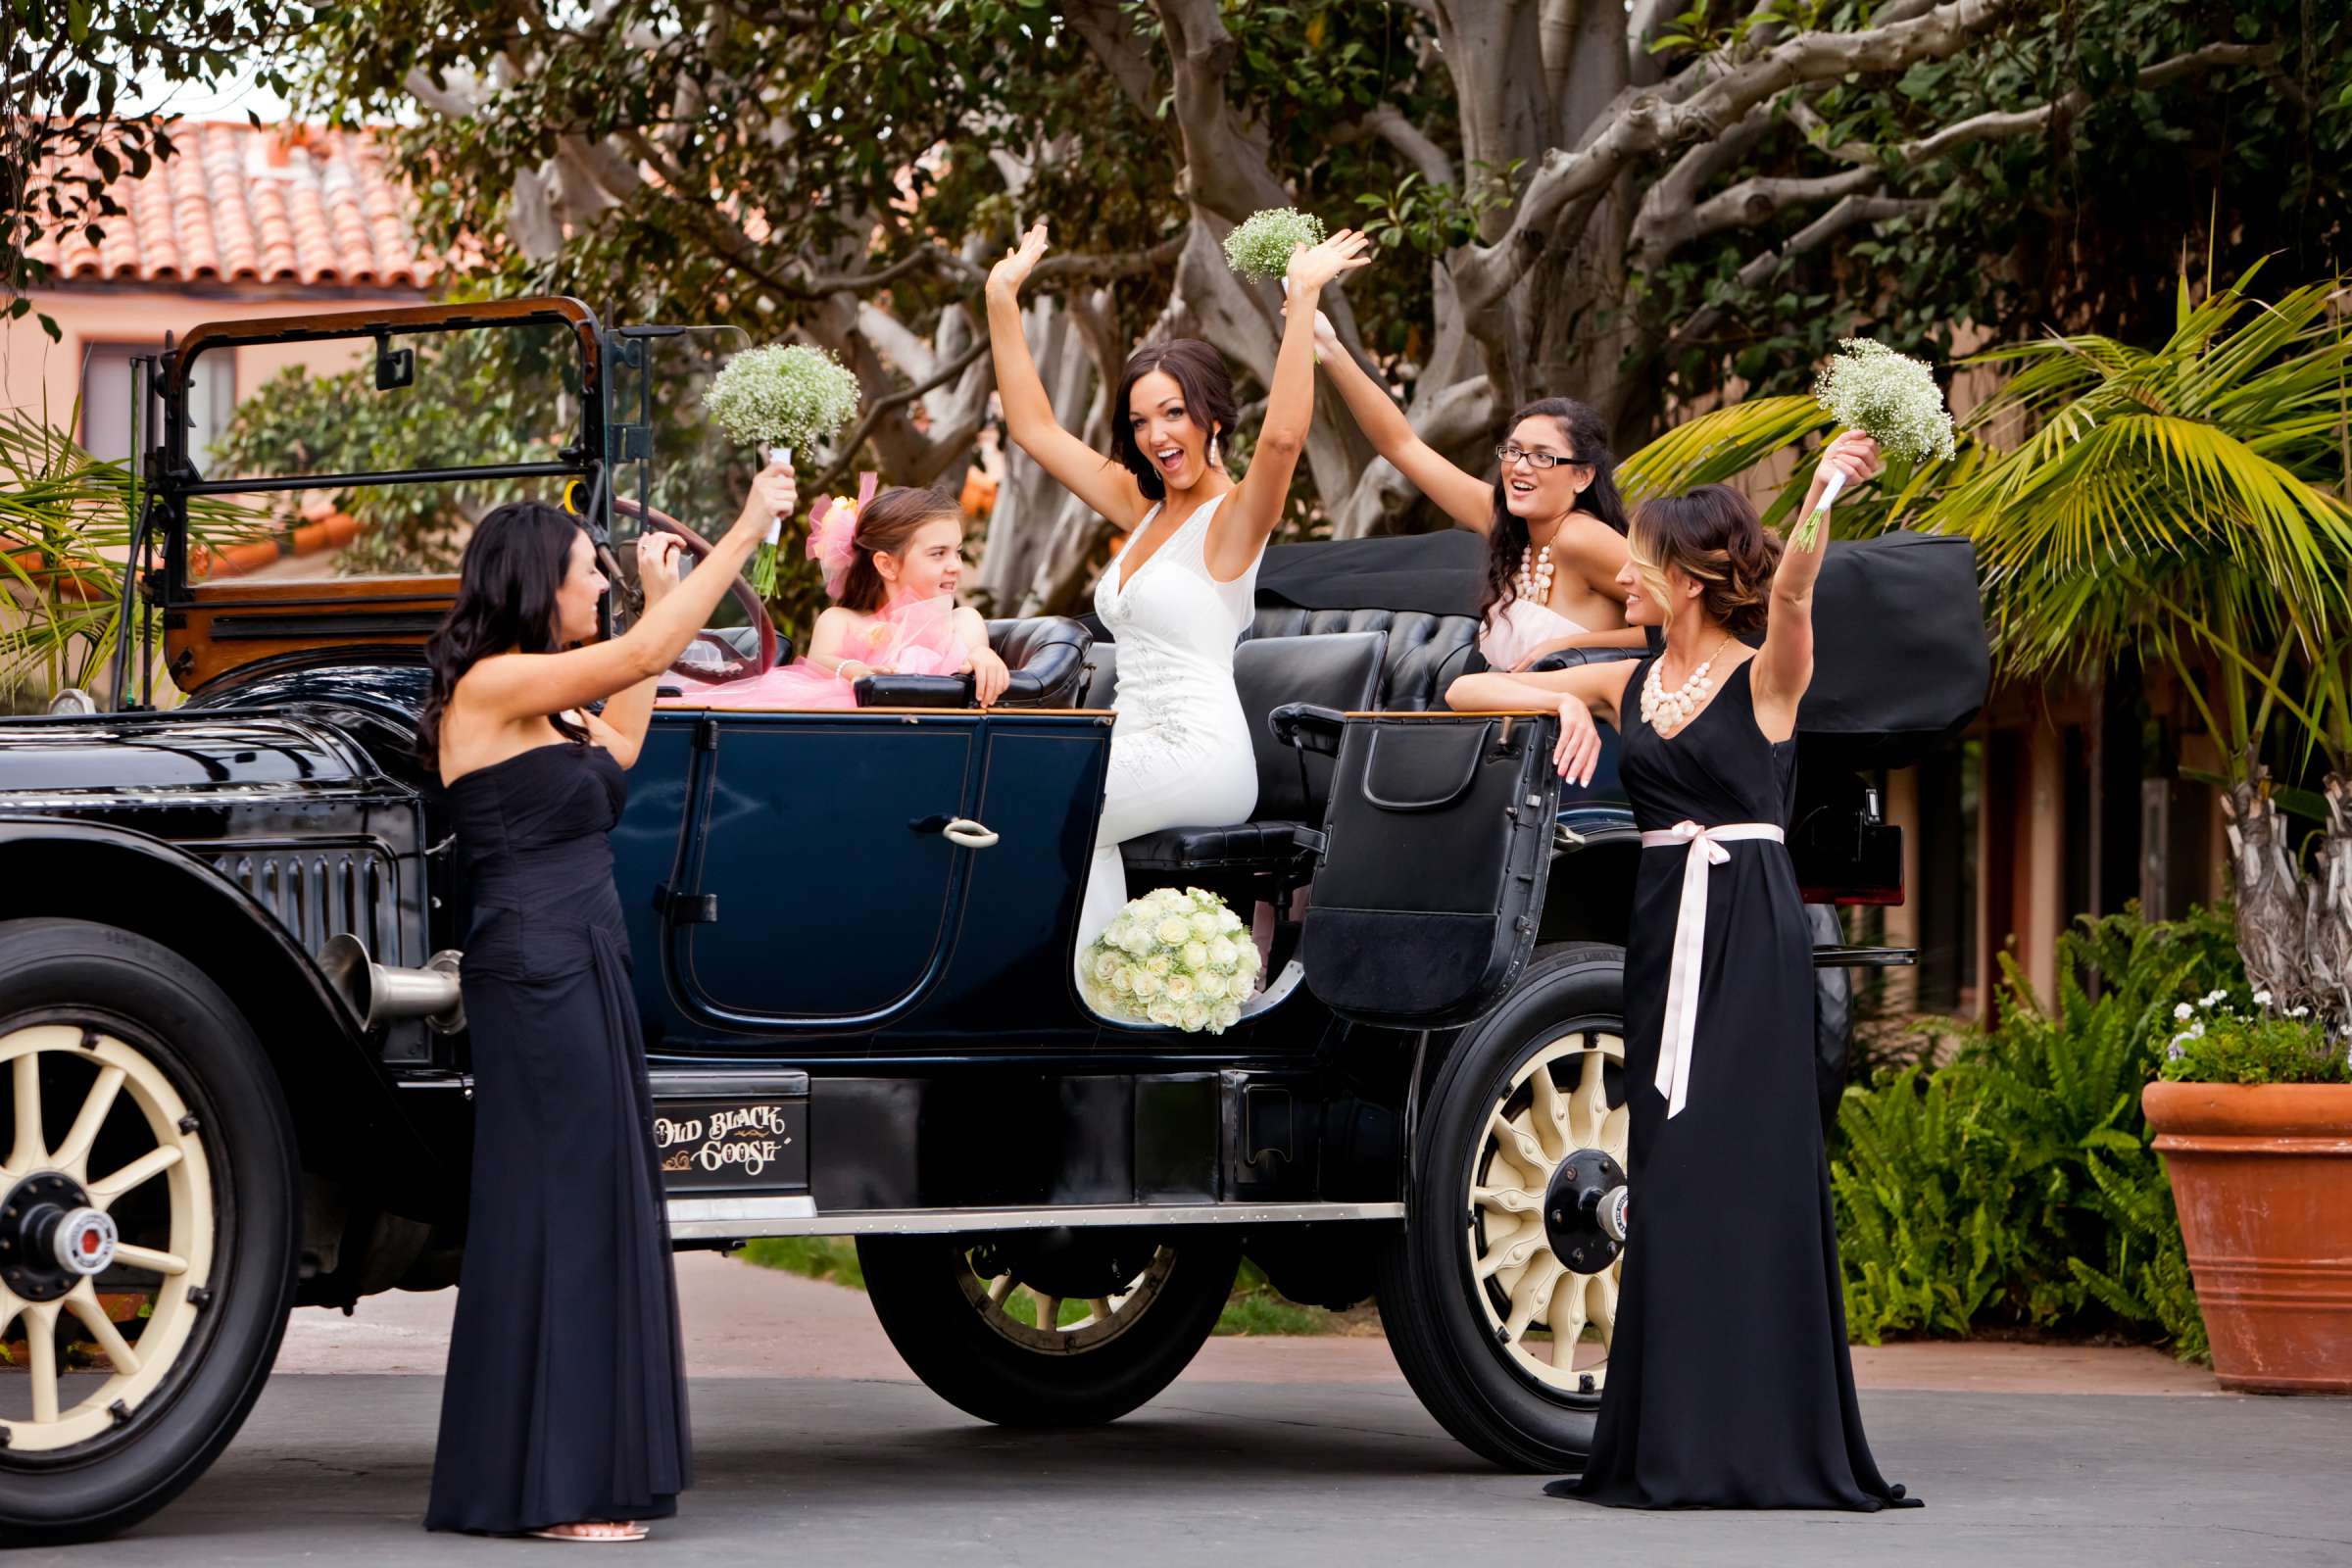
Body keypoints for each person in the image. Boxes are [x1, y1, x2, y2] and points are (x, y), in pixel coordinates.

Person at [1447, 432, 1923, 1512]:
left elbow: (1796, 589)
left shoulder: (1766, 677)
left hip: (1751, 933)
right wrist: (1563, 700)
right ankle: (1677, 1437)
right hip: (1664, 930)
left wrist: (1822, 493)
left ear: (1696, 575)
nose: (1624, 572)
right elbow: (1470, 688)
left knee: (1743, 1171)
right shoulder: (1635, 675)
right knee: (1670, 1177)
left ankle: (1764, 1442)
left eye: (1644, 559)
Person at [416, 460, 794, 1542]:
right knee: (560, 1214)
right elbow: (637, 653)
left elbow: (624, 736)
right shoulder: (489, 688)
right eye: (589, 574)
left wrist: (648, 578)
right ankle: (554, 1489)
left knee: (588, 1211)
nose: (599, 593)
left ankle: (550, 1475)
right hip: (534, 970)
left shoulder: (552, 705)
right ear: (539, 581)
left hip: (583, 962)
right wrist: (745, 529)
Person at [984, 218, 1372, 956]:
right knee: (1041, 806)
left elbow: (1285, 440)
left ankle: (1077, 1000)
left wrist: (1302, 298)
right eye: (1140, 422)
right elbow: (1033, 428)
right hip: (1130, 739)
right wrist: (1002, 297)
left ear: (1212, 420)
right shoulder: (1144, 511)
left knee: (1042, 806)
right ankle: (1100, 998)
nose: (1158, 435)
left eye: (1174, 413)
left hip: (1200, 753)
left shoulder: (1233, 520)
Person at [1299, 305, 1644, 670]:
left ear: (1582, 476)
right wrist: (1329, 346)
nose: (1520, 466)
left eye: (1542, 456)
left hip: (1577, 724)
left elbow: (1689, 622)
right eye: (1513, 451)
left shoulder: (1584, 538)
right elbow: (1401, 445)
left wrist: (1576, 646)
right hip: (1502, 719)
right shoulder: (1509, 525)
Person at [662, 482, 1011, 710]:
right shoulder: (841, 620)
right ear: (886, 566)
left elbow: (973, 649)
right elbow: (820, 662)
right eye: (938, 554)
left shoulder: (960, 620)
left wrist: (983, 657)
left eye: (958, 552)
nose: (955, 566)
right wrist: (854, 669)